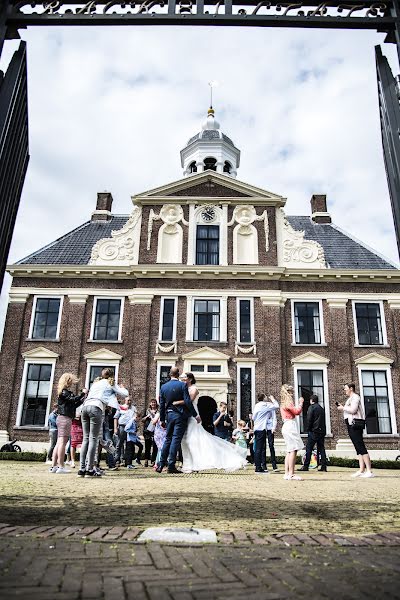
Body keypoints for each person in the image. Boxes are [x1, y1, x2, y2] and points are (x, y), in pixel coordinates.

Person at [180, 373, 247, 473]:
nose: (183, 380)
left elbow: (189, 401)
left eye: (184, 378)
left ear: (190, 379)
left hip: (193, 417)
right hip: (186, 417)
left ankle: (193, 465)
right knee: (186, 441)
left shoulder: (194, 388)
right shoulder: (184, 389)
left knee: (193, 440)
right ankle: (188, 465)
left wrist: (176, 402)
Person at [78, 369, 128, 478]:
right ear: (112, 376)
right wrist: (122, 387)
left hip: (85, 408)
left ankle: (81, 469)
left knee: (86, 439)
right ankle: (90, 469)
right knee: (93, 439)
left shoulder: (96, 383)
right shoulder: (110, 383)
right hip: (96, 408)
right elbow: (125, 394)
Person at [156, 367, 200, 474]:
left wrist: (162, 419)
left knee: (168, 439)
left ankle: (160, 465)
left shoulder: (164, 387)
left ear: (169, 374)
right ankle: (171, 466)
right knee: (175, 440)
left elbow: (162, 405)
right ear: (178, 374)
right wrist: (195, 415)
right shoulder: (182, 385)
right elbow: (188, 401)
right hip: (180, 416)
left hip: (169, 415)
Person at [50, 373, 86, 474]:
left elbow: (74, 404)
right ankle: (61, 466)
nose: (72, 383)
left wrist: (82, 398)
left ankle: (54, 466)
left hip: (63, 418)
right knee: (62, 443)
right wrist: (82, 394)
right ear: (67, 381)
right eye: (71, 381)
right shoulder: (64, 392)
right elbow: (73, 400)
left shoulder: (63, 392)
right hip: (65, 419)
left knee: (59, 443)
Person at [337, 382, 373, 478]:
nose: (344, 390)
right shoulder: (350, 399)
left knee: (360, 446)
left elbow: (353, 410)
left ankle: (369, 470)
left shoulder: (355, 397)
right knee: (357, 447)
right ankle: (361, 470)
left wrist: (343, 408)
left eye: (345, 388)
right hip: (350, 424)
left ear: (351, 388)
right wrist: (343, 407)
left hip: (356, 424)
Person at [280, 384, 304, 481]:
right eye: (291, 392)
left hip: (286, 425)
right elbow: (297, 411)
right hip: (290, 425)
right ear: (288, 392)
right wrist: (301, 403)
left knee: (289, 450)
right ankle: (291, 474)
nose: (293, 394)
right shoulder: (288, 402)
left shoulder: (283, 402)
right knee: (293, 449)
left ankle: (287, 473)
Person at [298, 394, 327, 472]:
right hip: (321, 431)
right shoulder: (321, 408)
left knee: (309, 448)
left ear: (311, 400)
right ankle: (324, 466)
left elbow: (309, 419)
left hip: (314, 431)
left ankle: (306, 466)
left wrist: (308, 429)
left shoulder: (311, 407)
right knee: (321, 448)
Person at [252, 393, 279, 474]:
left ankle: (259, 466)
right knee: (259, 449)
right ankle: (258, 468)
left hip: (256, 428)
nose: (267, 398)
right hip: (262, 429)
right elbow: (277, 405)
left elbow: (253, 418)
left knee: (258, 448)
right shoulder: (266, 405)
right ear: (263, 398)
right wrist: (273, 399)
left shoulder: (256, 405)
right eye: (266, 397)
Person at [114, 397, 136, 466]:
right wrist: (115, 428)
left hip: (130, 428)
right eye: (128, 400)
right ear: (125, 400)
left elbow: (136, 417)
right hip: (122, 427)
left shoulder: (133, 408)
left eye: (130, 400)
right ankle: (117, 459)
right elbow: (116, 418)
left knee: (129, 444)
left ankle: (125, 460)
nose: (129, 402)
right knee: (119, 443)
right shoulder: (121, 407)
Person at [142, 399, 159, 467]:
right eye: (152, 403)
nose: (153, 404)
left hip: (156, 430)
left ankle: (153, 460)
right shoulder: (147, 411)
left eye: (154, 403)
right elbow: (142, 420)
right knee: (147, 446)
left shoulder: (158, 411)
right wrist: (147, 416)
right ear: (150, 404)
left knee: (155, 446)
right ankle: (146, 460)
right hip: (147, 430)